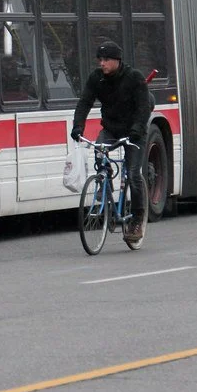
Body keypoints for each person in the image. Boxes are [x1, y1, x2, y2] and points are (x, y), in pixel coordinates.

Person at [70, 41, 152, 242]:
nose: (102, 63)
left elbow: (143, 108)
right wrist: (77, 126)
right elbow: (85, 103)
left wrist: (136, 130)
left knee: (133, 174)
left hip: (135, 132)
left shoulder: (134, 78)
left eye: (106, 60)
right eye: (100, 59)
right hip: (111, 129)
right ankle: (104, 180)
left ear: (117, 61)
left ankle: (136, 221)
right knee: (99, 149)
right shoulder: (97, 79)